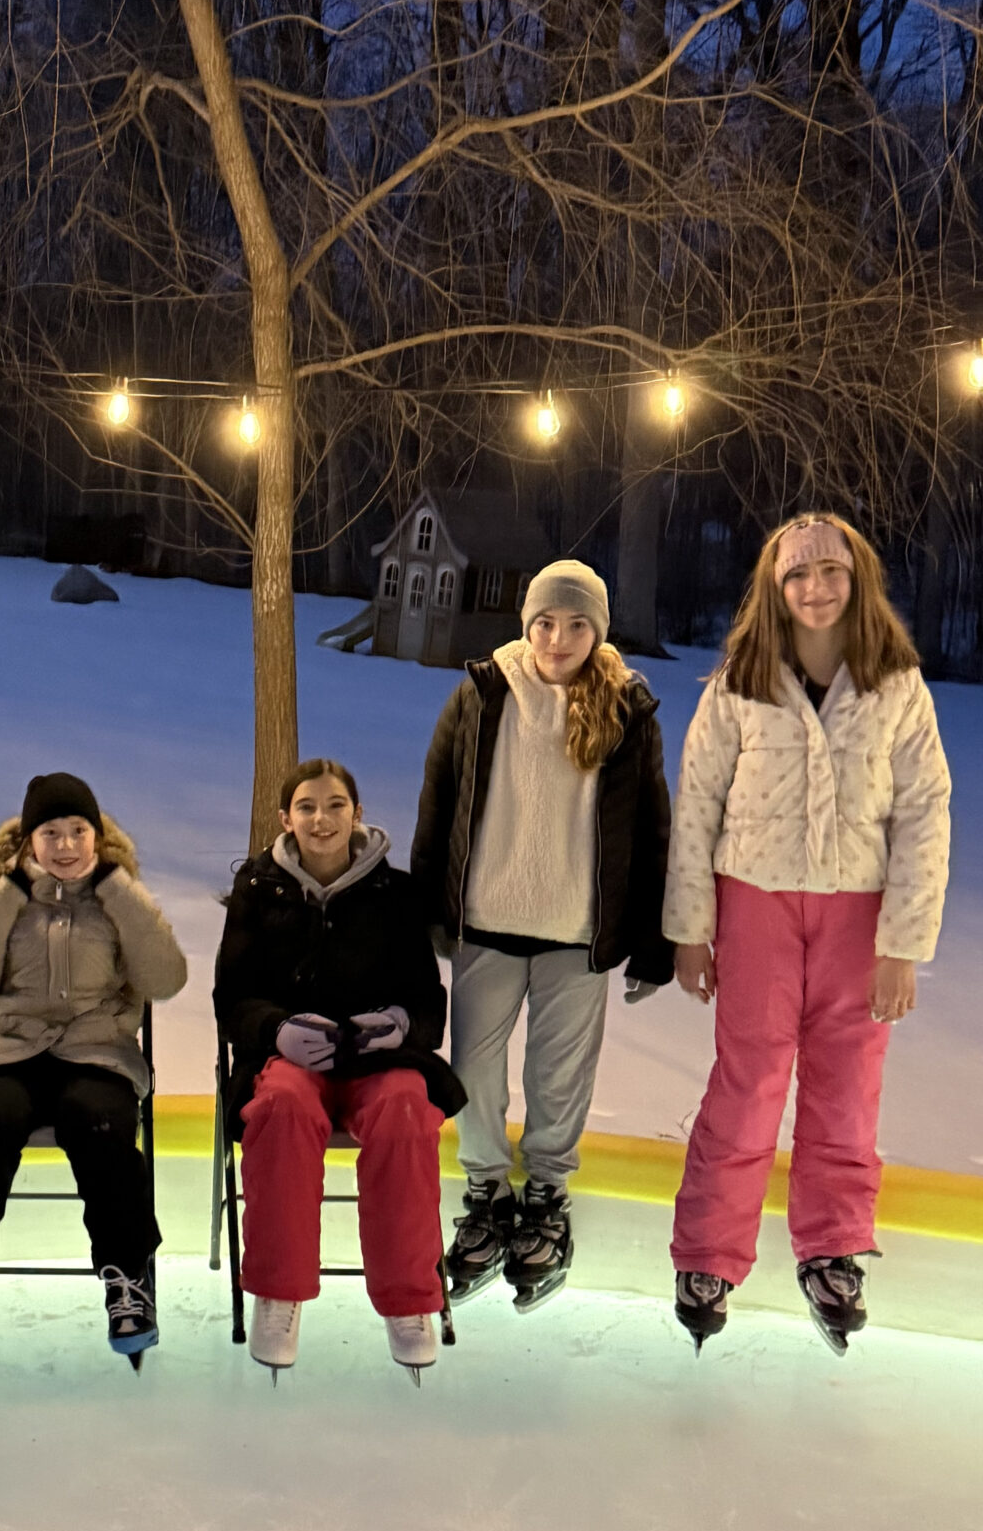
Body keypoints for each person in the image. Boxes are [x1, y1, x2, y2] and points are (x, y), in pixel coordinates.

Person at [663, 513, 951, 1354]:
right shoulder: (739, 683)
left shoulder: (897, 686)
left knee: (846, 1086)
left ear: (856, 578)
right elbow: (698, 806)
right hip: (755, 901)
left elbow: (925, 816)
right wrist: (691, 929)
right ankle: (709, 1252)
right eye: (798, 575)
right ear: (774, 587)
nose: (815, 588)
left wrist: (903, 945)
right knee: (748, 1080)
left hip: (858, 918)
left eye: (831, 571)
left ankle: (831, 1249)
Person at [411, 560, 675, 1312]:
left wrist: (654, 942)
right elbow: (439, 797)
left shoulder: (627, 706)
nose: (558, 639)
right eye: (545, 622)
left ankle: (547, 1199)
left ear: (599, 630)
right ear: (525, 623)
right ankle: (487, 1194)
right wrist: (430, 905)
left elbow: (652, 830)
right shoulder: (482, 690)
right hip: (486, 925)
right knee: (475, 1072)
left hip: (576, 934)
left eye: (577, 624)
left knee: (558, 1076)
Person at [0, 771, 187, 1366]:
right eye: (51, 832)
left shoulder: (120, 896)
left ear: (97, 836)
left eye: (78, 830)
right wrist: (7, 894)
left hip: (96, 1052)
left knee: (98, 1119)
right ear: (27, 841)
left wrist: (120, 892)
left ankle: (128, 1277)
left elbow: (166, 982)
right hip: (8, 1050)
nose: (65, 845)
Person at [215, 759, 464, 1380]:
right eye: (306, 806)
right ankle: (279, 1293)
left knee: (407, 1110)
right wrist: (277, 1029)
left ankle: (410, 1301)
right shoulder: (257, 886)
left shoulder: (396, 893)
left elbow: (428, 999)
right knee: (280, 1109)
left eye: (333, 805)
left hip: (377, 1058)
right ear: (285, 818)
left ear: (356, 812)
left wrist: (401, 1023)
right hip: (291, 1058)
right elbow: (231, 997)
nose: (320, 819)